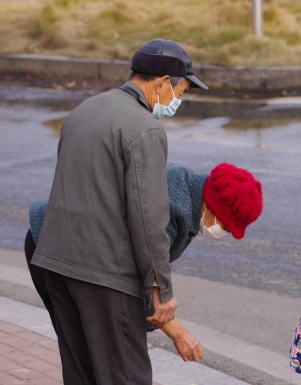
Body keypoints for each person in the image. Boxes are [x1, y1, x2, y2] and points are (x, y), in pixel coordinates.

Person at [30, 38, 208, 385]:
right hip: (105, 277)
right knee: (125, 377)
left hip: (56, 265)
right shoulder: (145, 129)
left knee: (81, 374)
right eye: (181, 92)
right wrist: (162, 293)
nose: (178, 102)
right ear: (161, 82)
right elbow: (148, 220)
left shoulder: (84, 110)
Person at [25, 162, 263, 362]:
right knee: (85, 348)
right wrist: (176, 331)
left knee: (94, 351)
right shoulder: (170, 206)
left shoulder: (189, 195)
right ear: (213, 205)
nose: (225, 233)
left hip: (84, 253)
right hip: (55, 244)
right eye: (226, 226)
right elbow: (132, 274)